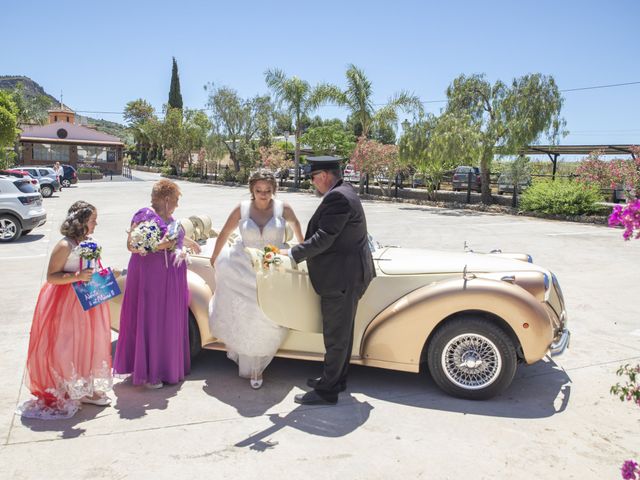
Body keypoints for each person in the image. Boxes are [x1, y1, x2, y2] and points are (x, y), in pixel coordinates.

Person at [281, 157, 375, 405]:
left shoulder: (338, 197)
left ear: (323, 175)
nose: (313, 184)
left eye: (313, 178)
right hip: (349, 275)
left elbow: (324, 237)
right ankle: (335, 379)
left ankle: (328, 390)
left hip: (341, 278)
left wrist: (293, 253)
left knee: (336, 335)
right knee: (342, 333)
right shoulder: (345, 192)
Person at [208, 170, 303, 389]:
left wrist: (304, 252)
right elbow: (223, 233)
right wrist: (214, 258)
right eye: (259, 190)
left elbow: (299, 231)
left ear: (274, 190)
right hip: (242, 266)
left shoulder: (283, 208)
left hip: (272, 264)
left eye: (268, 191)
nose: (263, 195)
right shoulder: (241, 209)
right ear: (252, 189)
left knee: (266, 316)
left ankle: (258, 366)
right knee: (246, 316)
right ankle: (251, 365)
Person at [20, 201, 113, 419]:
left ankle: (85, 389)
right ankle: (65, 389)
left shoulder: (89, 242)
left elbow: (91, 268)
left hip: (88, 301)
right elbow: (51, 276)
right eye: (92, 220)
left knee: (88, 343)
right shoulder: (65, 246)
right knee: (67, 345)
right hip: (66, 303)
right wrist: (76, 277)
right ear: (81, 222)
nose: (96, 224)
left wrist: (105, 274)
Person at [113, 179, 200, 388]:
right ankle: (150, 372)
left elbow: (172, 233)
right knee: (152, 319)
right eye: (177, 199)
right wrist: (165, 245)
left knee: (167, 320)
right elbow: (132, 246)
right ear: (167, 198)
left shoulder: (169, 217)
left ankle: (166, 367)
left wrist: (189, 242)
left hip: (171, 277)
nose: (178, 204)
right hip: (150, 276)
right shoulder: (144, 215)